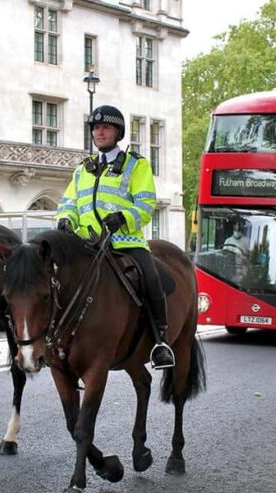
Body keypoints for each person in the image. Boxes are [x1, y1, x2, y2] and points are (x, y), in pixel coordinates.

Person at [56, 104, 174, 370]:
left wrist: (123, 218)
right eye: (95, 128)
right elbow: (69, 203)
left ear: (117, 132)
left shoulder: (136, 165)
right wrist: (65, 220)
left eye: (105, 127)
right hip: (86, 245)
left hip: (125, 243)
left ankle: (161, 343)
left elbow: (146, 204)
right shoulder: (82, 169)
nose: (99, 132)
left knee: (151, 278)